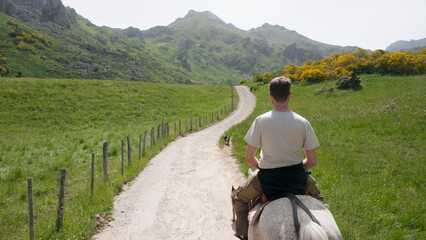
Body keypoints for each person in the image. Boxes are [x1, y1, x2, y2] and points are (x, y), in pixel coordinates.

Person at [232, 76, 324, 240]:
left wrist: (260, 165)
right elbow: (312, 162)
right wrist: (296, 166)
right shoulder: (303, 122)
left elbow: (248, 158)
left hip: (267, 179)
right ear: (289, 95)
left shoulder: (261, 121)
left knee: (239, 198)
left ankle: (243, 235)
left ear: (270, 96)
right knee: (319, 201)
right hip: (298, 178)